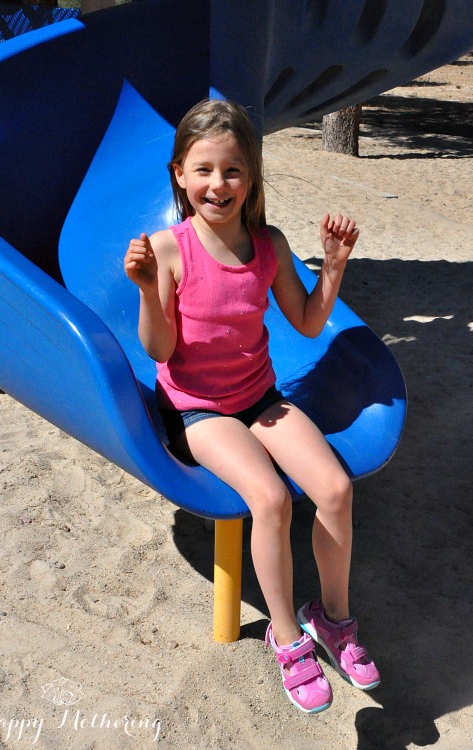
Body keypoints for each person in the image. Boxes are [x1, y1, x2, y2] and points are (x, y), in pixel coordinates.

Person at [124, 98, 380, 714]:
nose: (219, 184)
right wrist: (144, 291)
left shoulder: (268, 244)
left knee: (335, 490)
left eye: (233, 170)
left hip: (260, 397)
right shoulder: (168, 248)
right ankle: (286, 635)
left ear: (252, 177)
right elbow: (159, 347)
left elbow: (309, 321)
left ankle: (333, 617)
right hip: (199, 410)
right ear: (180, 175)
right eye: (205, 170)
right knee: (266, 498)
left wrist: (334, 268)